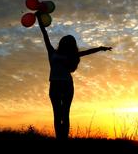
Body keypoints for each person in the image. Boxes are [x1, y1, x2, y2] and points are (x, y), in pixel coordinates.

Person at [36, 11, 112, 140]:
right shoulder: (52, 52)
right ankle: (59, 138)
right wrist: (39, 19)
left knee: (65, 114)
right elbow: (45, 35)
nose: (66, 42)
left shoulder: (72, 55)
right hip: (54, 85)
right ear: (62, 42)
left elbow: (87, 52)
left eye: (69, 41)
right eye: (65, 40)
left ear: (71, 45)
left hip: (67, 85)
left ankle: (63, 139)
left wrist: (100, 48)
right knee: (57, 114)